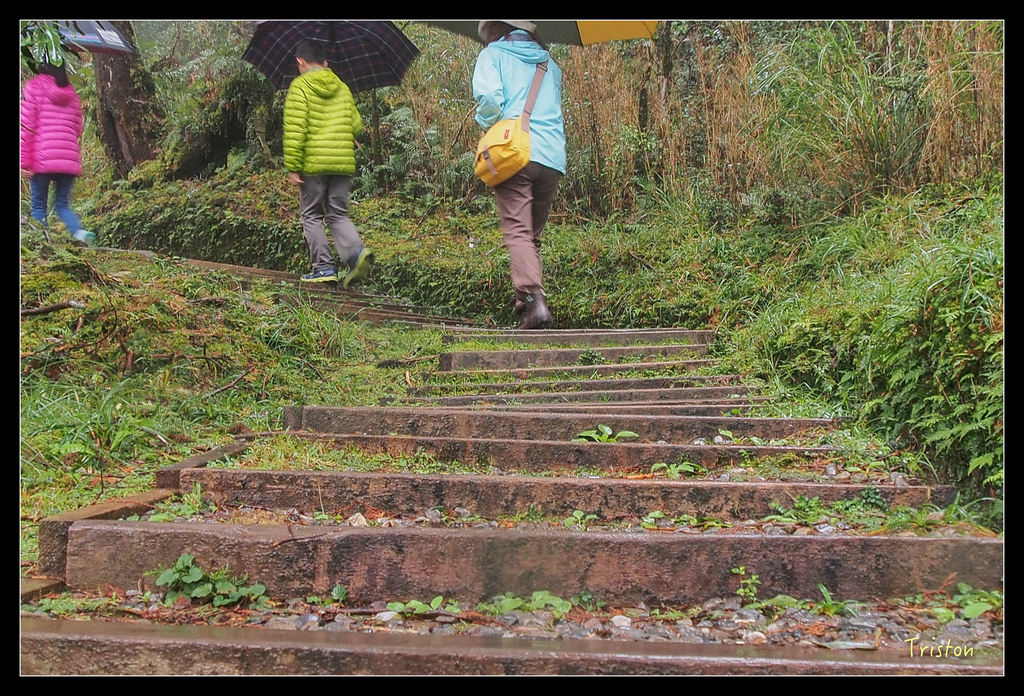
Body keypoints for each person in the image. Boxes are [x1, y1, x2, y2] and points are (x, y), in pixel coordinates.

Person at [473, 21, 566, 330]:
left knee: (516, 230)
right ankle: (528, 306)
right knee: (532, 235)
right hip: (552, 156)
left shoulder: (493, 55)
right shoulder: (550, 64)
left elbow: (489, 101)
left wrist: (488, 122)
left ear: (495, 28)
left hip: (516, 152)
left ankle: (532, 299)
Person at [283, 39, 372, 286]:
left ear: (300, 61)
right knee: (338, 214)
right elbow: (355, 124)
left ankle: (323, 268)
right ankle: (355, 253)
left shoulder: (299, 86)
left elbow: (295, 129)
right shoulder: (342, 87)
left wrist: (293, 166)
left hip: (313, 164)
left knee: (311, 214)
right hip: (342, 161)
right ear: (325, 63)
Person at [20, 59, 96, 246]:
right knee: (62, 205)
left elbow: (26, 127)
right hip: (68, 158)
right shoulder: (71, 92)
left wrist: (23, 163)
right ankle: (79, 232)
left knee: (39, 206)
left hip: (41, 157)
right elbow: (77, 127)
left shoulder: (33, 87)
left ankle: (41, 245)